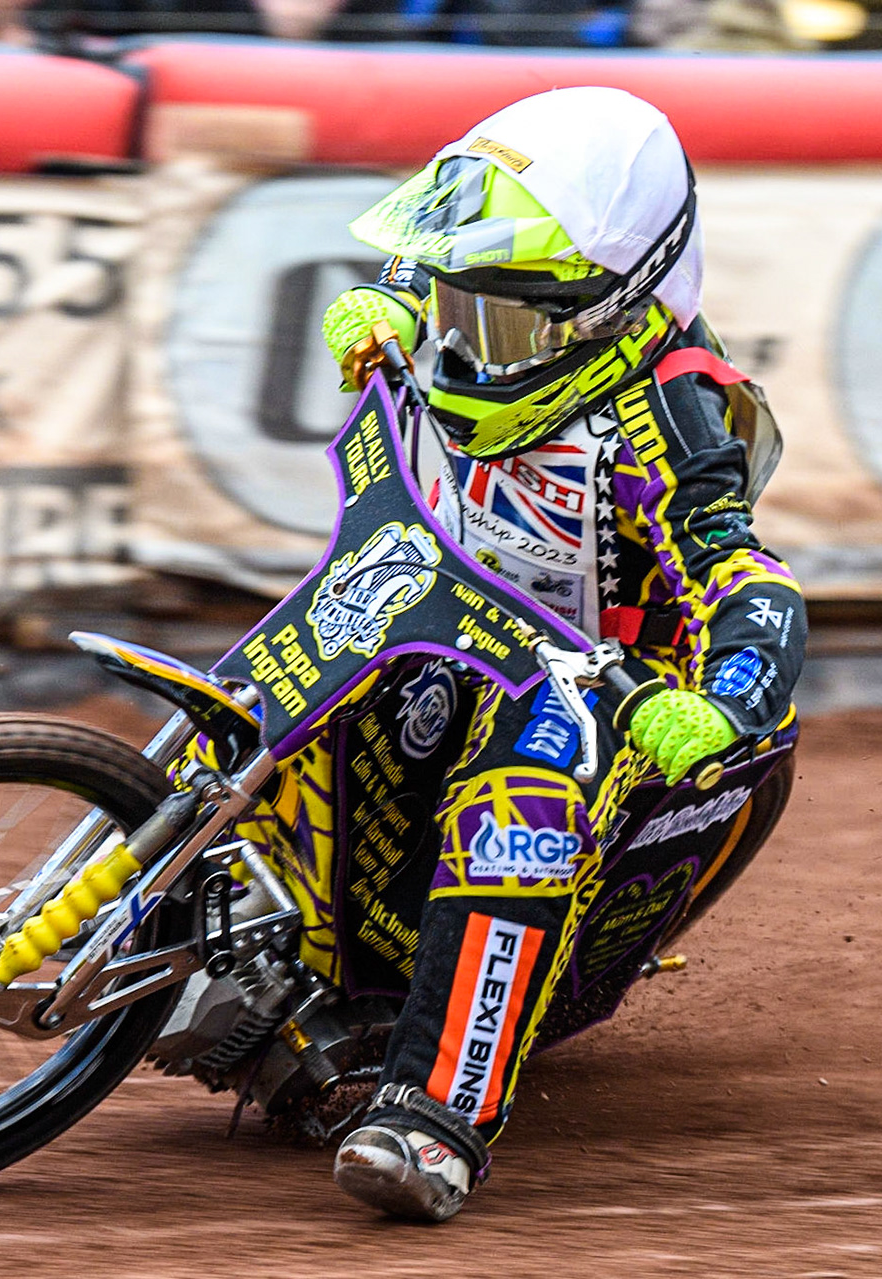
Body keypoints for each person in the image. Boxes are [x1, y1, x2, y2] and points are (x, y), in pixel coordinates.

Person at [317, 85, 806, 1222]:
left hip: (619, 697)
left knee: (526, 784)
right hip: (454, 618)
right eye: (458, 311)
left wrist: (726, 697)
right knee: (314, 659)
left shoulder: (674, 425)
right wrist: (385, 305)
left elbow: (751, 583)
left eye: (507, 326)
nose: (471, 348)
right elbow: (450, 267)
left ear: (608, 312)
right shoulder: (502, 291)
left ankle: (433, 1122)